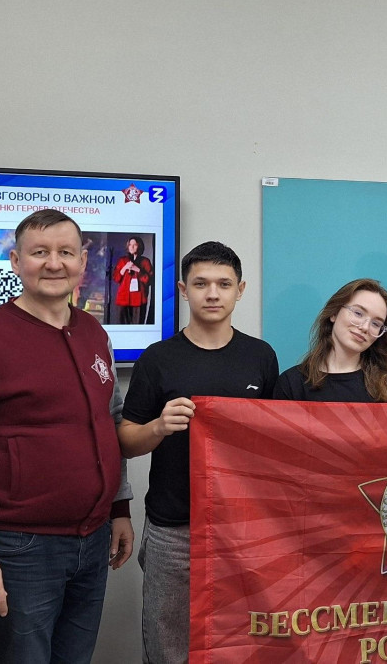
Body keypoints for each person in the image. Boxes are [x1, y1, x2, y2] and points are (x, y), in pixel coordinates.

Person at [0, 209, 134, 664]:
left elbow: (109, 423)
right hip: (20, 551)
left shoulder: (94, 333)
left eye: (65, 252)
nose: (54, 263)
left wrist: (119, 507)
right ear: (17, 262)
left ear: (83, 262)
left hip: (93, 539)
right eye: (40, 252)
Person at [119, 241, 278, 664]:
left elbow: (275, 440)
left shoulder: (261, 357)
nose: (212, 294)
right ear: (183, 290)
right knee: (169, 644)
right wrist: (158, 426)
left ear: (240, 290)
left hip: (242, 525)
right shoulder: (158, 359)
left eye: (223, 284)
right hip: (174, 526)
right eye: (201, 283)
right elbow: (126, 441)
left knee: (242, 640)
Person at [274, 278, 387, 402]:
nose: (365, 327)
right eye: (358, 313)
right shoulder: (291, 383)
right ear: (334, 313)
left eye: (376, 324)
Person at [112, 235, 153, 324]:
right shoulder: (122, 260)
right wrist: (125, 267)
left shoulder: (145, 261)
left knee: (137, 324)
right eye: (130, 244)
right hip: (123, 299)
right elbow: (116, 278)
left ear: (139, 246)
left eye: (135, 245)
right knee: (122, 325)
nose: (132, 247)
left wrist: (137, 269)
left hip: (138, 300)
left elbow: (149, 280)